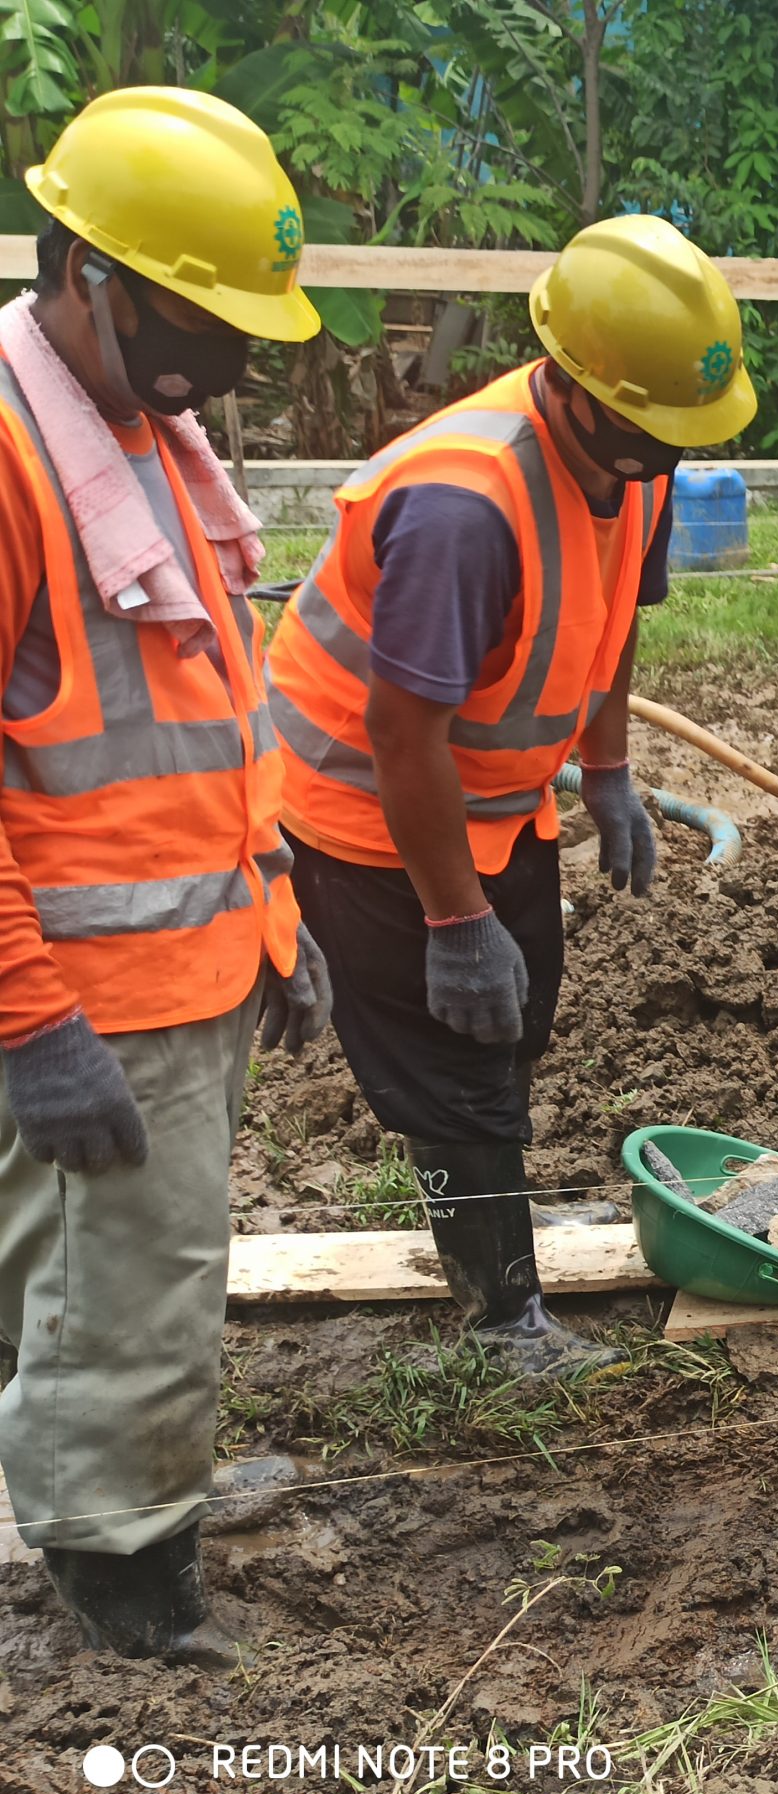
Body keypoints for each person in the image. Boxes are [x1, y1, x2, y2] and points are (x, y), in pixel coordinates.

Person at [265, 215, 755, 1376]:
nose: (665, 454)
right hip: (363, 808)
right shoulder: (463, 507)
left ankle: (499, 1234)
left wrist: (610, 766)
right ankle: (499, 1322)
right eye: (649, 431)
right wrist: (450, 915)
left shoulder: (636, 457)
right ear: (573, 389)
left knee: (514, 1017)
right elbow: (400, 732)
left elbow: (617, 613)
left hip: (496, 795)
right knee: (454, 1061)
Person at [0, 88, 331, 1664]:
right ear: (87, 274)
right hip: (86, 987)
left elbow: (205, 706)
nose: (230, 361)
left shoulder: (136, 441)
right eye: (198, 318)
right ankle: (122, 1577)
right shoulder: (14, 460)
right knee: (113, 1287)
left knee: (141, 1274)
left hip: (186, 960)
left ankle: (131, 1496)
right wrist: (28, 1018)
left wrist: (276, 894)